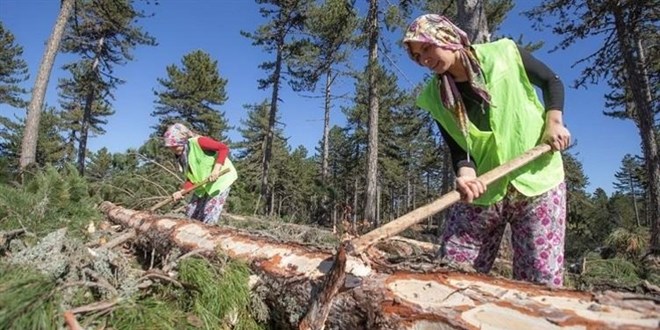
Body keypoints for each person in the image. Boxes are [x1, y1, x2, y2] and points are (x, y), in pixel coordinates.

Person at [402, 14, 571, 287]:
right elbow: (458, 146)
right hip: (484, 188)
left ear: (446, 38)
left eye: (427, 48)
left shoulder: (505, 53)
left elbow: (552, 81)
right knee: (452, 272)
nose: (424, 60)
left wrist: (554, 122)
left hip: (537, 180)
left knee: (540, 280)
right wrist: (466, 175)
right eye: (417, 56)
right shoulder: (434, 97)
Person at [163, 123, 238, 225]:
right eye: (170, 147)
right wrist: (182, 191)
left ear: (182, 141)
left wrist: (216, 169)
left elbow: (223, 148)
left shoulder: (199, 142)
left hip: (220, 181)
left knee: (208, 215)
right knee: (191, 214)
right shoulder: (182, 158)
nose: (173, 149)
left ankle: (208, 237)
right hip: (203, 186)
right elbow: (192, 179)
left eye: (175, 146)